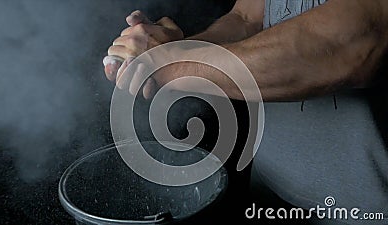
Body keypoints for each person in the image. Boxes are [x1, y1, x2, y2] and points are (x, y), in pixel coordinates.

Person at [103, 0, 388, 224]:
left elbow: (357, 41)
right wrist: (176, 50)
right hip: (269, 194)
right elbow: (247, 18)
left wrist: (175, 63)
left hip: (370, 207)